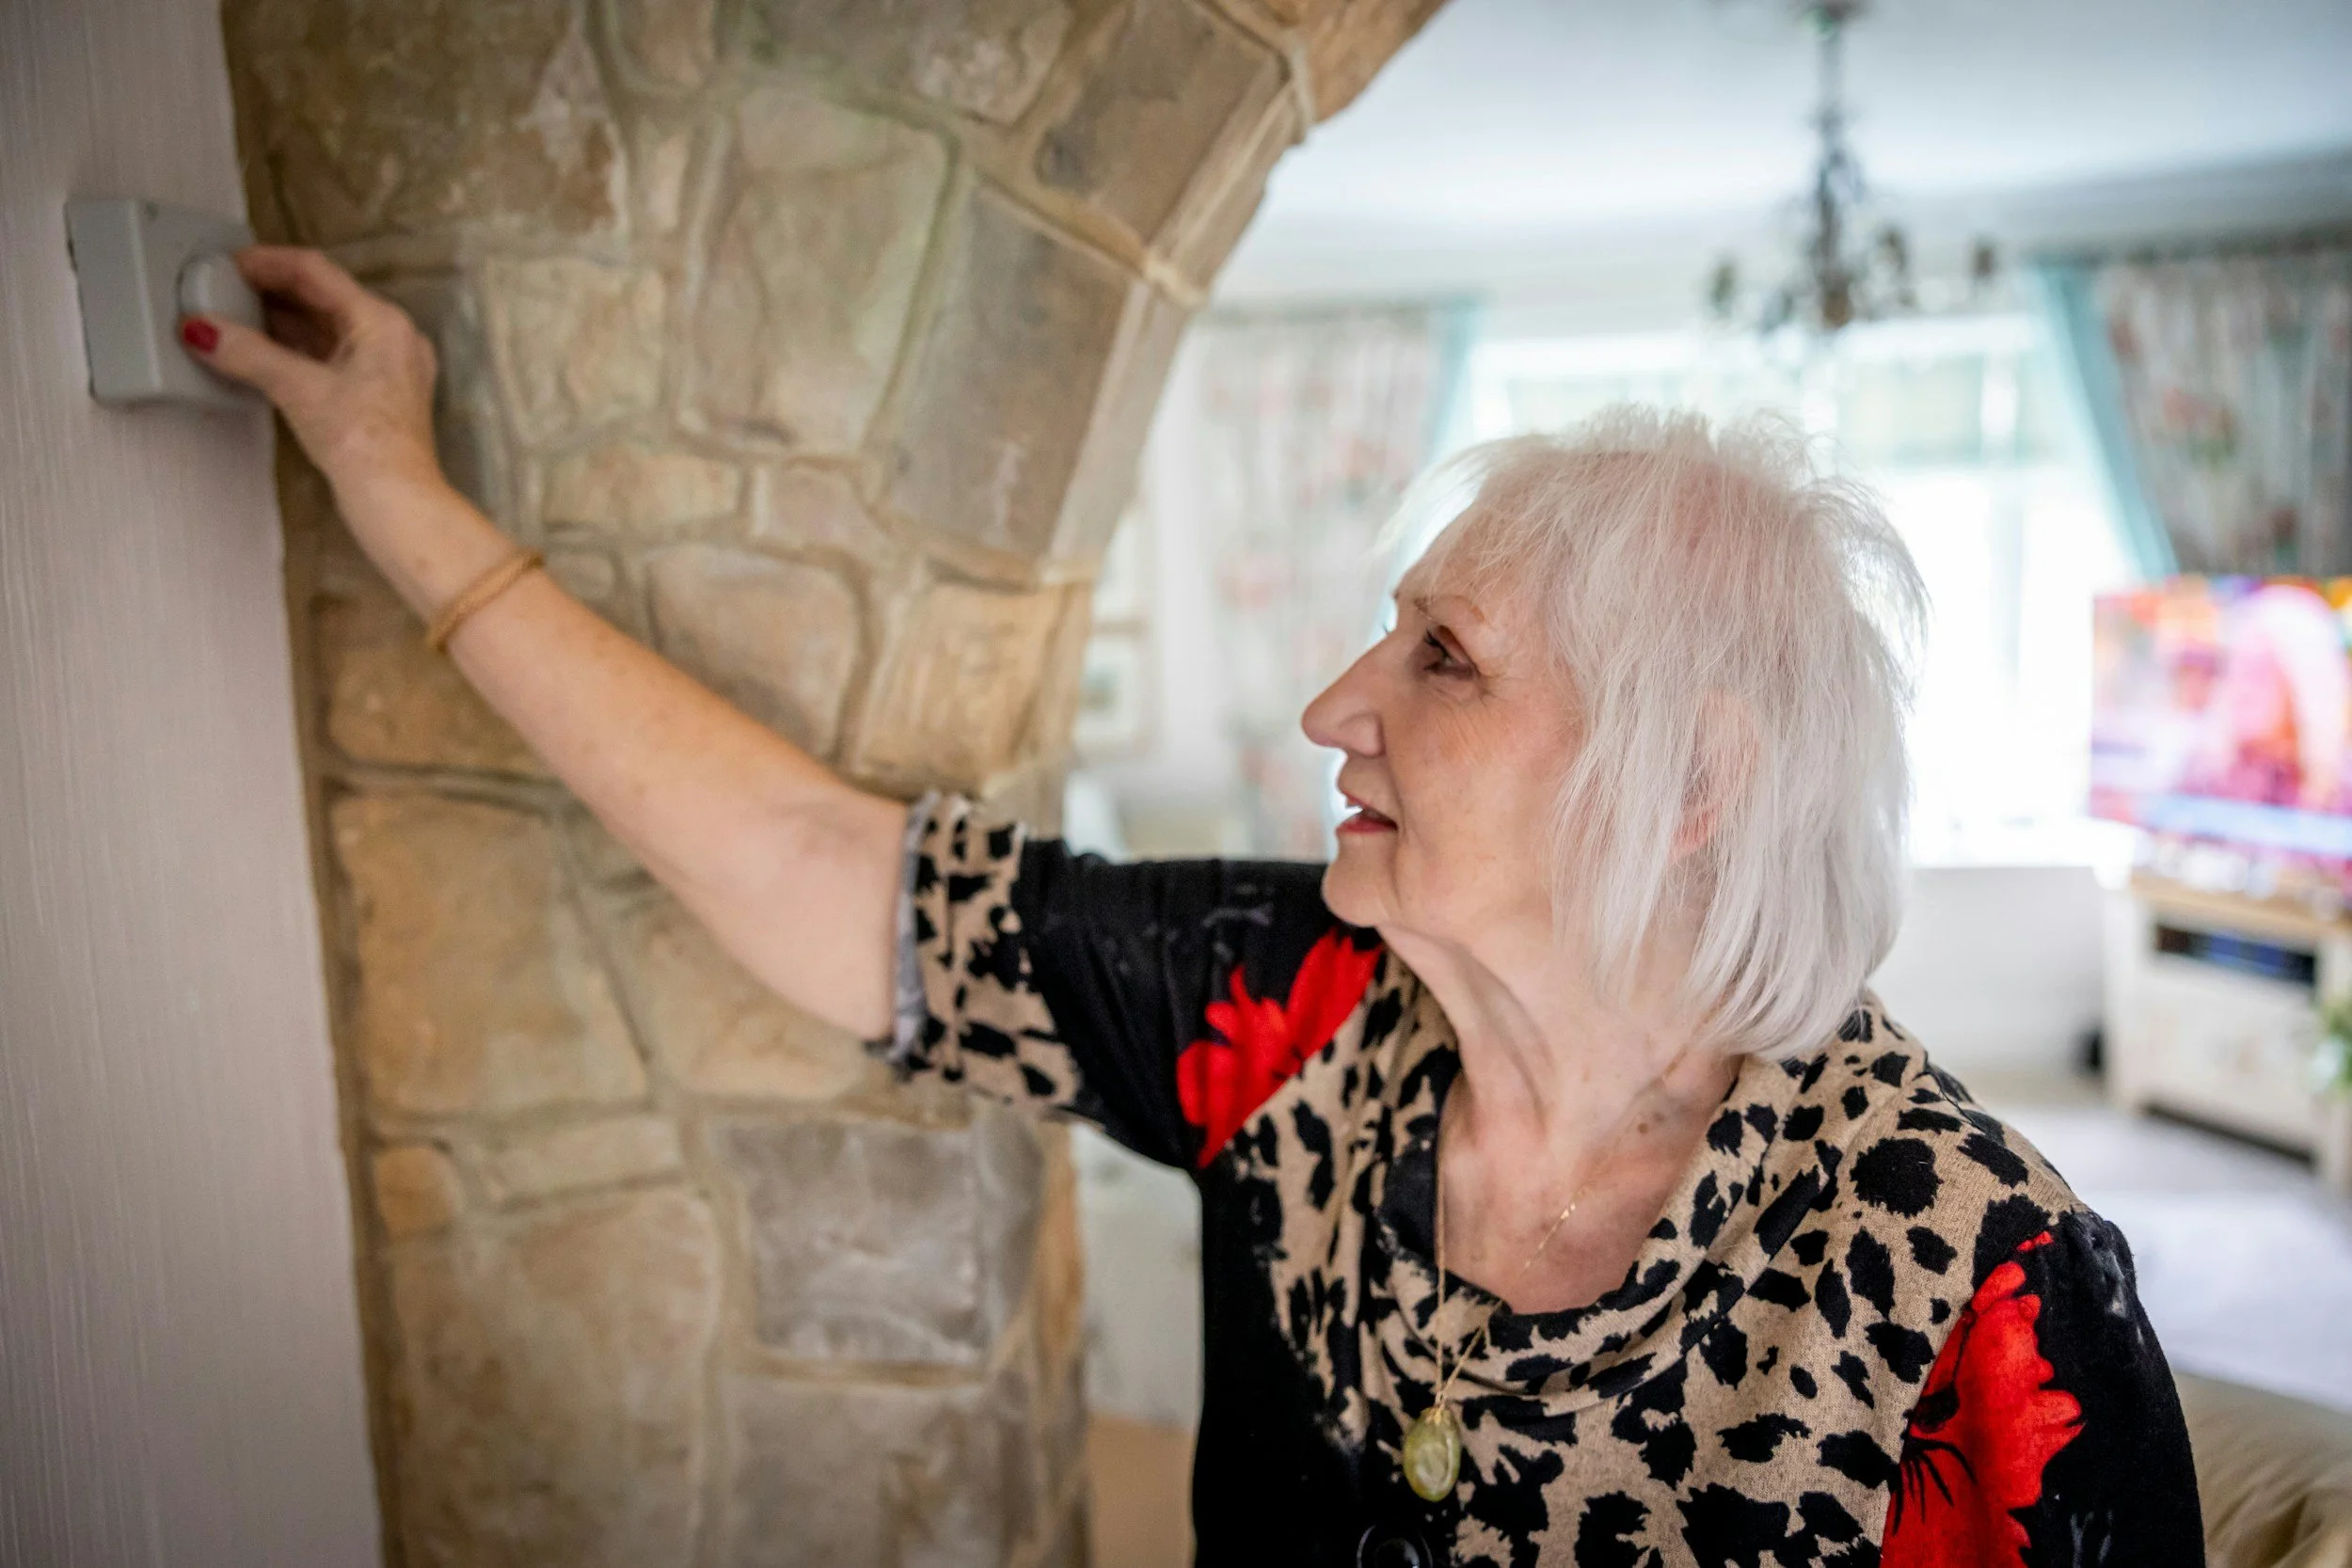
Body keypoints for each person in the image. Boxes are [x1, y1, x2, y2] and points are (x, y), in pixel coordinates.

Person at [183, 247, 2205, 1567]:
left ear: (1686, 786)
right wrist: (392, 486)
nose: (1338, 701)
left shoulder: (1981, 1285)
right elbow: (835, 878)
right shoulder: (1305, 1005)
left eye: (1444, 656)